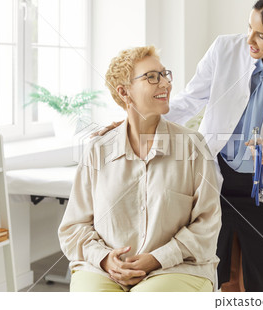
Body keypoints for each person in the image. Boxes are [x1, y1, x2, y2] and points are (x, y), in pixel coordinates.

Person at [94, 0, 263, 292]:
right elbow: (190, 99)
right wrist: (135, 120)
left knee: (260, 277)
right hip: (215, 179)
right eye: (249, 29)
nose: (249, 41)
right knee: (215, 270)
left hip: (262, 189)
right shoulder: (225, 49)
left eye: (261, 36)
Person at [58, 46, 221, 292]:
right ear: (124, 92)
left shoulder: (192, 146)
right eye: (152, 77)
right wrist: (104, 258)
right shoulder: (98, 150)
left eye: (165, 74)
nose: (165, 83)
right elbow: (74, 227)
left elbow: (207, 224)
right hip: (103, 271)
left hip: (177, 267)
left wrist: (157, 258)